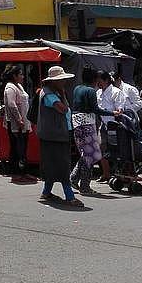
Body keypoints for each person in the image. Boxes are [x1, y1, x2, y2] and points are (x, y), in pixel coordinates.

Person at [36, 65, 83, 207]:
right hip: (54, 136)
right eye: (61, 80)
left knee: (53, 165)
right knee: (62, 166)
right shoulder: (49, 94)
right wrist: (62, 94)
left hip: (59, 134)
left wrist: (62, 94)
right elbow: (63, 109)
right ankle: (69, 196)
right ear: (53, 81)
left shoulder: (54, 92)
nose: (64, 82)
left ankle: (46, 192)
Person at [70, 67, 116, 194]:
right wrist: (113, 113)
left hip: (77, 123)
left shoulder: (77, 88)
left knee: (87, 154)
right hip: (86, 124)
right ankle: (84, 185)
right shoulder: (90, 91)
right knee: (91, 155)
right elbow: (96, 110)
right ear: (94, 79)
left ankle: (74, 178)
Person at [2, 66, 35, 182]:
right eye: (20, 74)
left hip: (24, 122)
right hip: (16, 124)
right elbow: (11, 105)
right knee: (16, 148)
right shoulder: (10, 88)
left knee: (23, 148)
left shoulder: (19, 86)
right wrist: (19, 119)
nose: (22, 76)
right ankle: (15, 173)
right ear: (14, 76)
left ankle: (24, 172)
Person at [96, 71, 123, 183]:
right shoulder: (98, 93)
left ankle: (119, 174)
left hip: (115, 125)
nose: (98, 83)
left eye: (100, 81)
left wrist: (111, 113)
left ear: (106, 80)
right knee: (101, 148)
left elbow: (119, 110)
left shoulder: (116, 92)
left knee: (117, 151)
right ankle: (106, 173)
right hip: (102, 124)